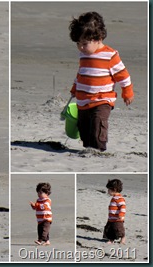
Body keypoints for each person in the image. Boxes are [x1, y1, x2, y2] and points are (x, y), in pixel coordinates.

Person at [69, 11, 134, 151]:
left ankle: (99, 150)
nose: (80, 47)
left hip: (102, 100)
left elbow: (123, 75)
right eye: (78, 43)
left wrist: (127, 92)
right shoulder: (84, 55)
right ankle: (88, 149)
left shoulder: (110, 55)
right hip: (83, 100)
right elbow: (81, 73)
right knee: (84, 127)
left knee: (98, 126)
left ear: (98, 38)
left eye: (84, 43)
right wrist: (75, 88)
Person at [103, 179, 126, 244]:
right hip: (111, 218)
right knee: (110, 229)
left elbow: (123, 207)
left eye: (109, 190)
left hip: (118, 218)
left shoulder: (119, 198)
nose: (108, 191)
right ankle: (111, 239)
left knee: (118, 229)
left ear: (114, 189)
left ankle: (123, 238)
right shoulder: (114, 198)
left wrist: (121, 214)